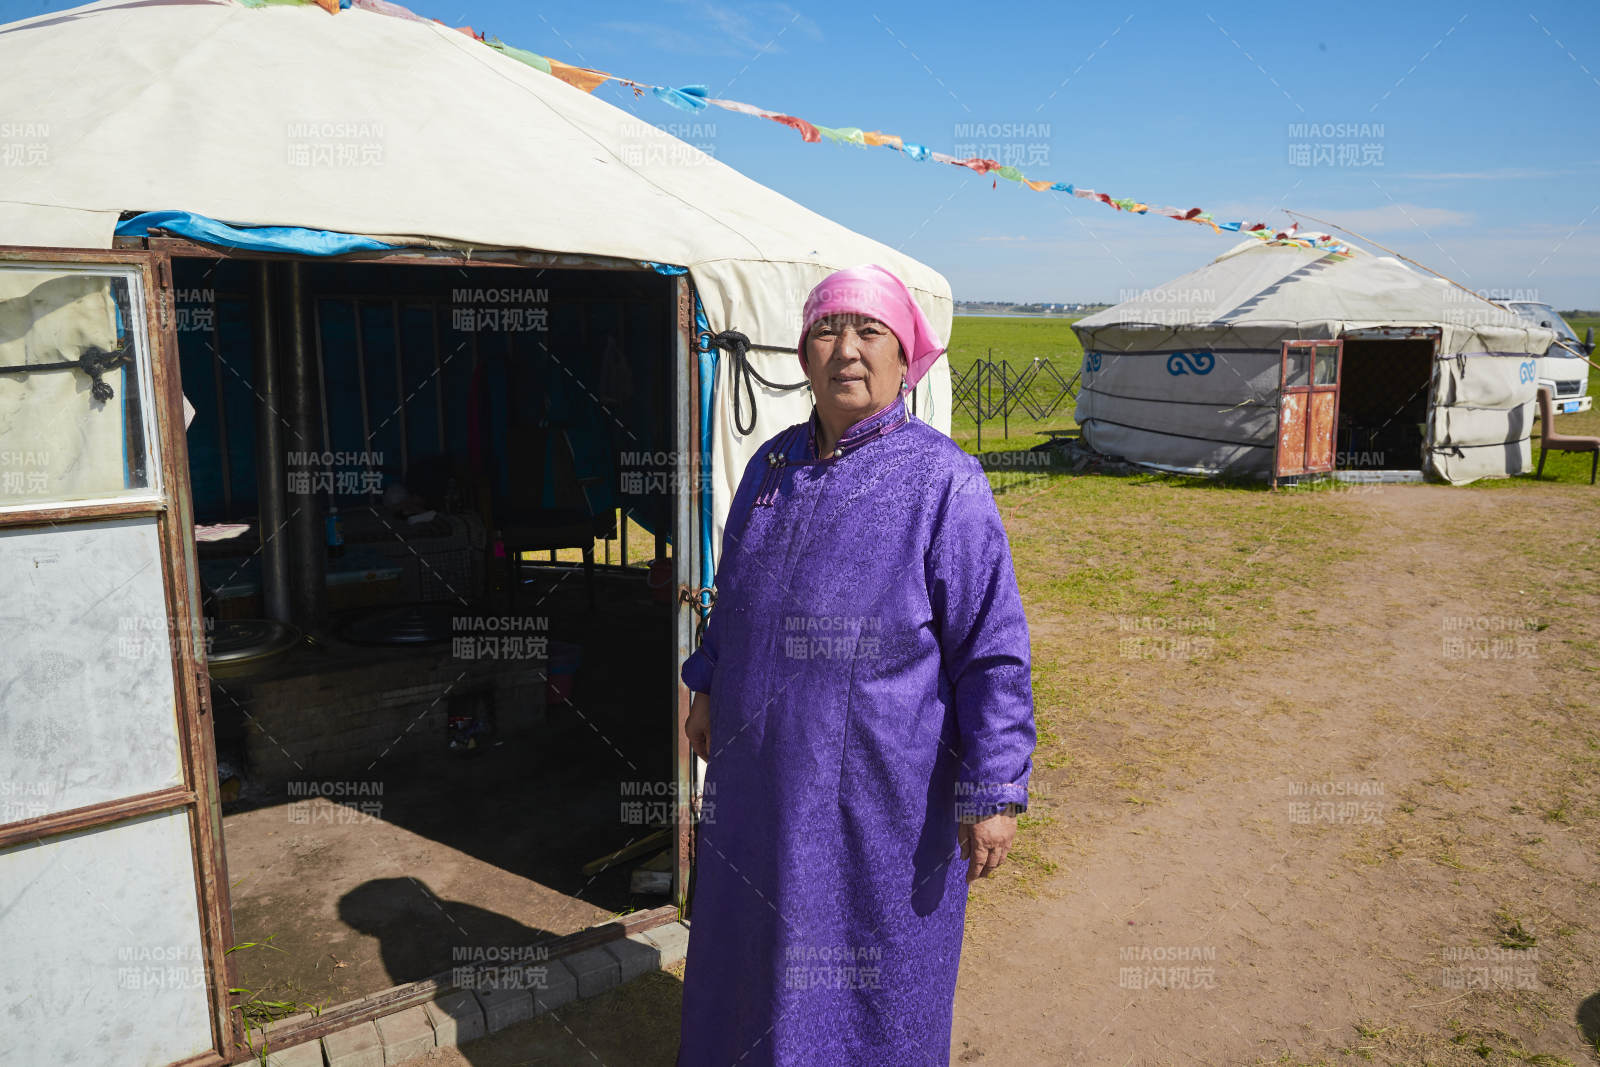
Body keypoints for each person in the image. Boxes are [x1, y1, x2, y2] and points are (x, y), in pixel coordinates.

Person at [676, 264, 1035, 1066]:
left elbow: (992, 650)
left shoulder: (945, 481)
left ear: (906, 357)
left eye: (870, 330)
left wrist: (993, 789)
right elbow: (734, 594)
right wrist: (707, 683)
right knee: (751, 939)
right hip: (760, 777)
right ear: (802, 355)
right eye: (827, 330)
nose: (847, 349)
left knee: (871, 960)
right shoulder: (770, 468)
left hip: (883, 791)